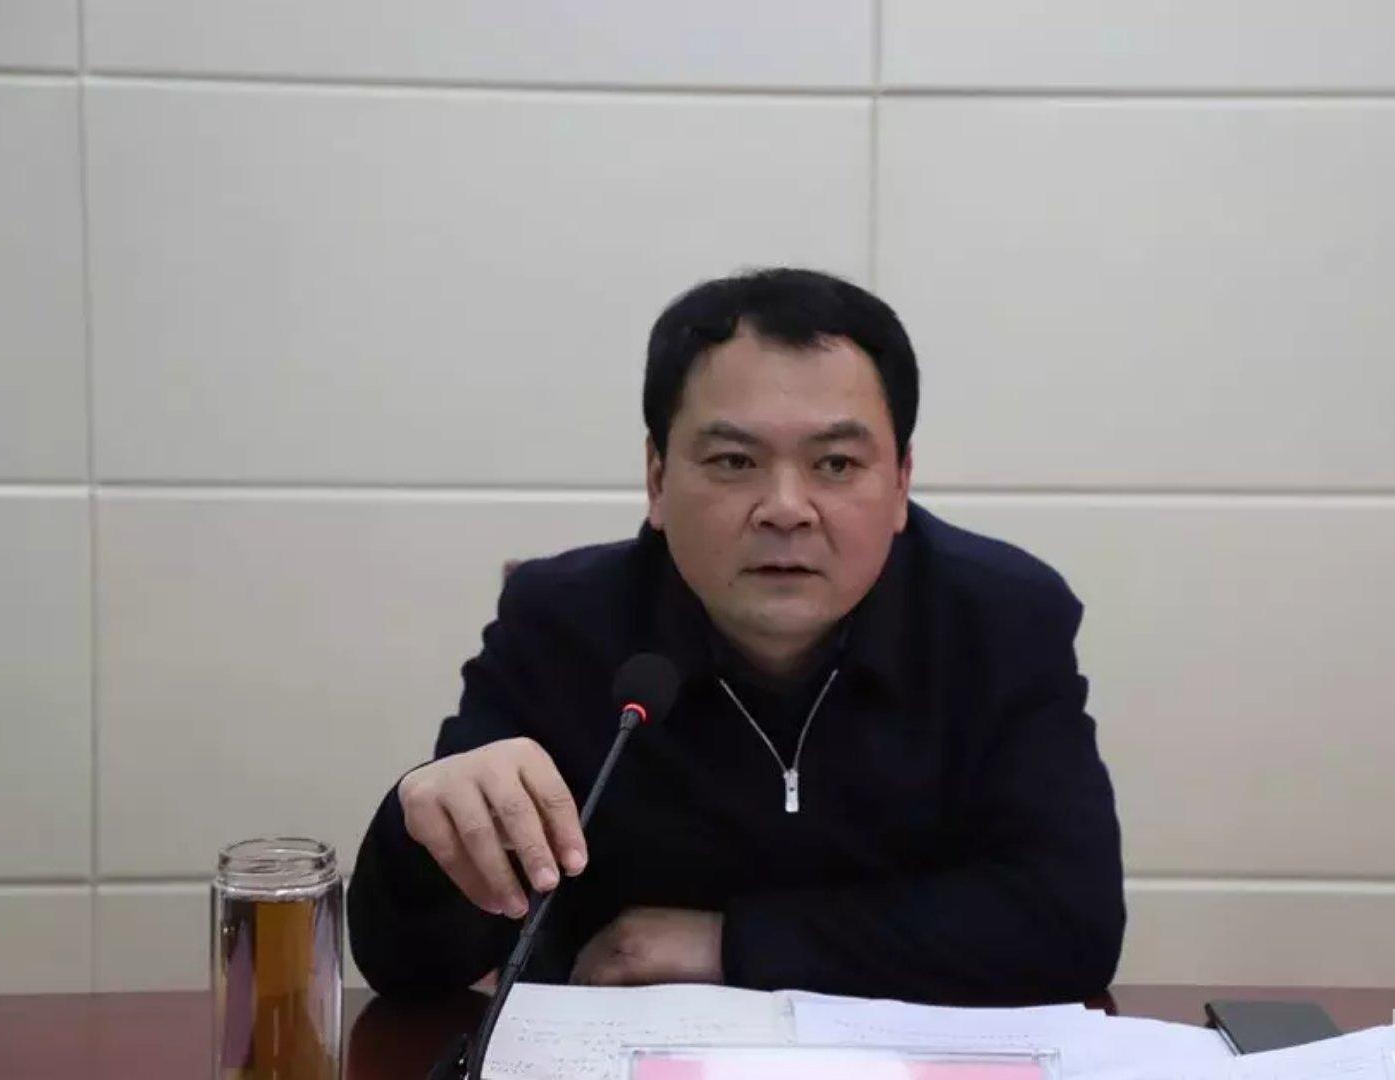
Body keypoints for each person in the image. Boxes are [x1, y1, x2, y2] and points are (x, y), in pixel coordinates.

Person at [347, 268, 1125, 1005]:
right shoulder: (561, 624)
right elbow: (416, 969)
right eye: (733, 460)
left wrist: (732, 943)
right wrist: (421, 828)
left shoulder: (1000, 620)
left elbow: (1068, 921)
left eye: (835, 463)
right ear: (657, 479)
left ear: (901, 483)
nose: (785, 508)